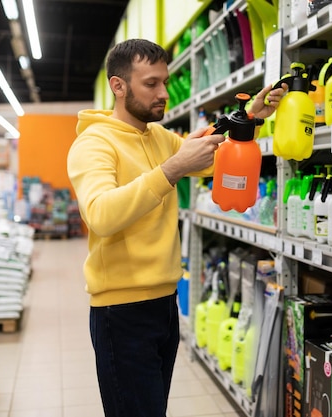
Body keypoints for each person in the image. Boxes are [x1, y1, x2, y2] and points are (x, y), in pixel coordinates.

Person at [66, 38, 287, 417]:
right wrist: (171, 170)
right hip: (121, 311)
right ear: (118, 86)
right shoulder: (94, 144)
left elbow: (206, 152)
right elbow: (100, 214)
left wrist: (250, 116)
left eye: (165, 82)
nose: (163, 93)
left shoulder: (157, 135)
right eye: (151, 83)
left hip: (163, 304)